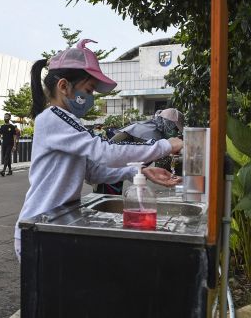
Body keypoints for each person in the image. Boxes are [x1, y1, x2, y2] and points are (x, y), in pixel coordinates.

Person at [15, 39, 183, 258]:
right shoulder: (53, 118)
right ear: (64, 86)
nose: (91, 98)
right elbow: (104, 152)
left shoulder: (66, 120)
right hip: (39, 224)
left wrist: (138, 172)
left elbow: (93, 172)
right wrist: (164, 146)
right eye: (89, 89)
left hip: (53, 222)